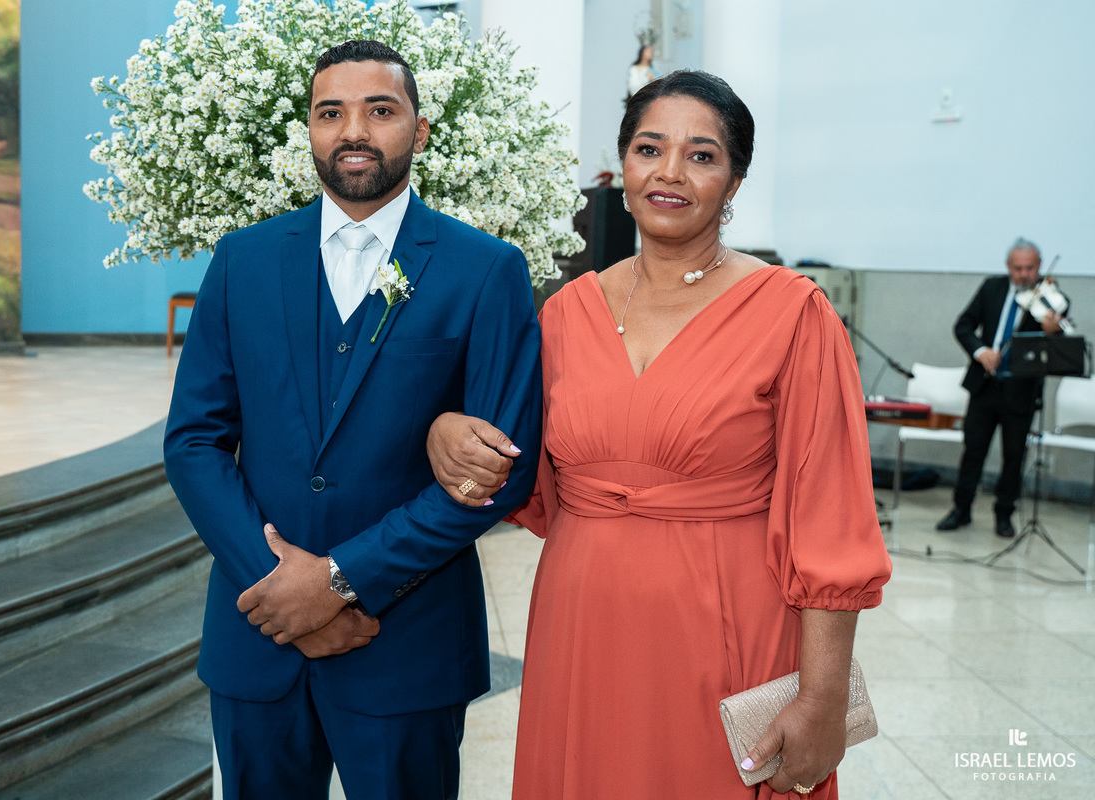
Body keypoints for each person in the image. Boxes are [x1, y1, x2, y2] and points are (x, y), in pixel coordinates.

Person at [427, 70, 892, 798]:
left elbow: (829, 521)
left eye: (702, 155)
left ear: (734, 181)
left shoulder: (792, 313)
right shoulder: (565, 313)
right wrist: (447, 429)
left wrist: (823, 698)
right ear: (623, 166)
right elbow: (526, 478)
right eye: (650, 148)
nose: (671, 172)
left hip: (725, 626)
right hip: (579, 626)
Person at [163, 40, 542, 800]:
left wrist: (340, 581)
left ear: (422, 130)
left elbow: (504, 468)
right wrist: (282, 587)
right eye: (330, 112)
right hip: (259, 632)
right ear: (308, 129)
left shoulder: (484, 269)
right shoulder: (243, 260)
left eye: (380, 110)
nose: (353, 130)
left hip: (406, 641)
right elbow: (194, 438)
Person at [936, 238, 1064, 538]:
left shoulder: (1052, 299)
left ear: (1039, 266)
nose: (1023, 275)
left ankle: (1004, 514)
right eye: (1017, 268)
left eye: (1030, 268)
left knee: (1014, 456)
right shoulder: (992, 288)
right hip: (985, 386)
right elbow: (963, 326)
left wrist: (1051, 333)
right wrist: (981, 352)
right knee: (973, 451)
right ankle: (961, 509)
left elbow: (1057, 348)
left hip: (1021, 390)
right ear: (1008, 267)